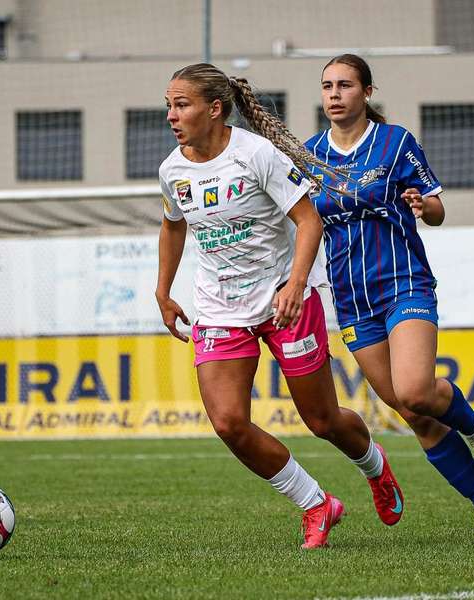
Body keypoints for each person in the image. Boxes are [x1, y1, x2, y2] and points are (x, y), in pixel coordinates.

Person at [155, 63, 404, 549]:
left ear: (215, 109)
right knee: (229, 423)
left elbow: (310, 222)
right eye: (169, 105)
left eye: (181, 105)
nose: (172, 115)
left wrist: (294, 286)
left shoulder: (257, 154)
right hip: (219, 309)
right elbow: (172, 225)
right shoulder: (172, 170)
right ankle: (316, 503)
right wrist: (163, 292)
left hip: (285, 302)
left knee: (322, 420)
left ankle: (375, 466)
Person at [304, 54, 474, 532]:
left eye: (345, 85)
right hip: (352, 299)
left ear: (367, 92)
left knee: (415, 390)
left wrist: (423, 205)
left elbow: (437, 210)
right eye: (327, 86)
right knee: (411, 412)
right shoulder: (310, 155)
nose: (335, 94)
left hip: (404, 283)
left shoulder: (395, 142)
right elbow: (306, 222)